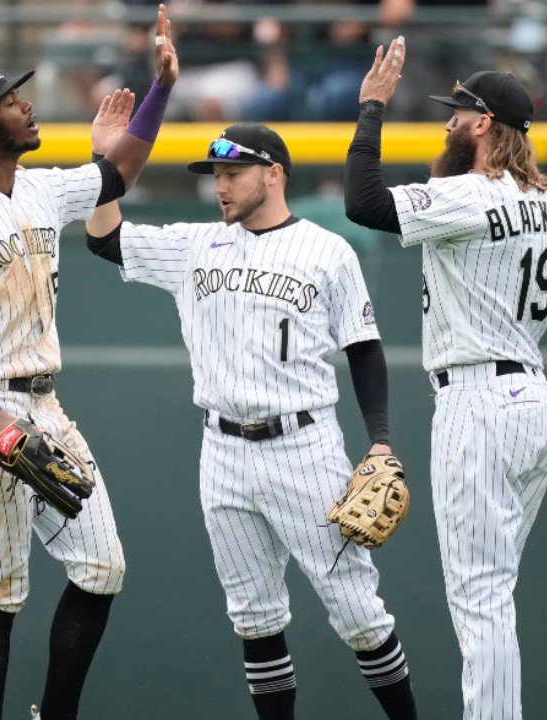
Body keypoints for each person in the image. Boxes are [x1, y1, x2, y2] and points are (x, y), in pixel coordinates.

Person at [83, 114, 419, 720]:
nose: (221, 185)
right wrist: (104, 165)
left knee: (358, 613)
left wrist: (380, 442)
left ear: (274, 172)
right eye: (217, 173)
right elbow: (104, 239)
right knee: (254, 614)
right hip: (223, 451)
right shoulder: (196, 245)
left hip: (305, 447)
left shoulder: (327, 251)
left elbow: (364, 348)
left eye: (234, 172)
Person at [343, 39, 547, 719]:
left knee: (480, 599)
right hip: (538, 407)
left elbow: (363, 202)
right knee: (493, 592)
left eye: (457, 112)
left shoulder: (465, 196)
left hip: (478, 404)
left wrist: (372, 108)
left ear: (481, 125)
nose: (446, 122)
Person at [0, 7, 178, 720]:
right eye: (11, 99)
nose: (28, 104)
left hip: (44, 406)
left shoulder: (38, 188)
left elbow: (115, 174)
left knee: (102, 566)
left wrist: (160, 91)